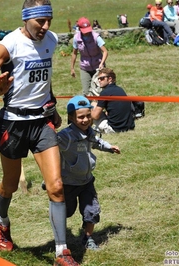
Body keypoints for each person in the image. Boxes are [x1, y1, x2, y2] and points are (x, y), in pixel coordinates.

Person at [0, 1, 79, 265]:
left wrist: (50, 103)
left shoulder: (51, 40)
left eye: (49, 20)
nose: (45, 27)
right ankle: (2, 221)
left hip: (41, 123)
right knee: (10, 186)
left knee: (56, 187)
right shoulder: (9, 45)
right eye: (40, 21)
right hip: (14, 125)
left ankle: (61, 252)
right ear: (26, 19)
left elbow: (46, 77)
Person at [58, 95, 120, 250]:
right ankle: (60, 238)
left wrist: (108, 147)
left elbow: (96, 141)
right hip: (68, 183)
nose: (85, 120)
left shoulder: (89, 132)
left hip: (86, 181)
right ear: (71, 118)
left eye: (88, 116)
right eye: (80, 117)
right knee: (66, 212)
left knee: (92, 210)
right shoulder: (65, 136)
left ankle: (87, 238)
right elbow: (49, 148)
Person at [70, 17, 108, 96]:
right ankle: (90, 107)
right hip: (85, 67)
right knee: (86, 92)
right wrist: (72, 68)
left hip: (98, 66)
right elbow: (74, 53)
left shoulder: (96, 37)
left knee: (101, 90)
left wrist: (102, 63)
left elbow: (105, 51)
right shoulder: (76, 38)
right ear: (79, 29)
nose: (87, 33)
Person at [92, 68, 135, 133]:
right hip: (129, 127)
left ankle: (86, 131)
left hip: (115, 129)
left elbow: (95, 116)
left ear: (110, 79)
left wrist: (89, 110)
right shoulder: (120, 89)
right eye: (98, 79)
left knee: (93, 105)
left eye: (102, 78)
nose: (99, 81)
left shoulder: (104, 93)